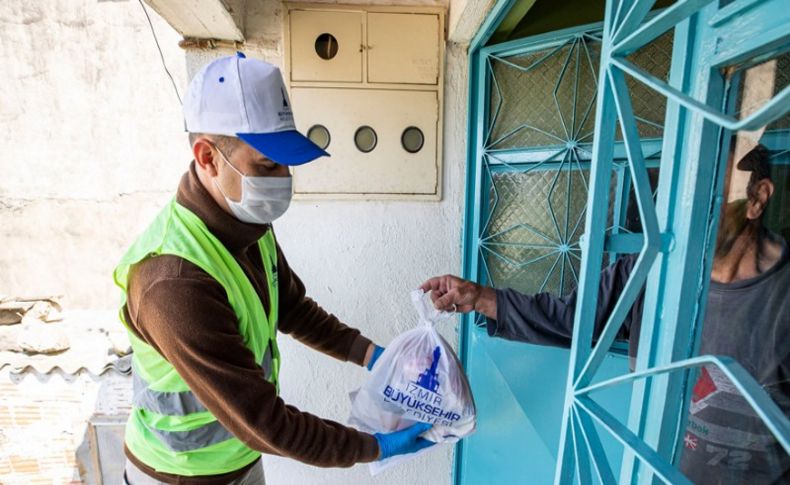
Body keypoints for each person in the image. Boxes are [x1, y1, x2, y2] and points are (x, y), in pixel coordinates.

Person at [115, 53, 432, 484]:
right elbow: (265, 421)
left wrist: (376, 357)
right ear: (207, 157)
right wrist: (375, 446)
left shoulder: (247, 221)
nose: (283, 179)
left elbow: (292, 308)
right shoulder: (173, 284)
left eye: (285, 163)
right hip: (179, 475)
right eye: (267, 165)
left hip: (240, 458)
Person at [421, 144, 789, 484]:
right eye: (680, 191)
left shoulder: (781, 300)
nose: (685, 208)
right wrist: (480, 297)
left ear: (757, 199)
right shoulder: (651, 272)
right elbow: (570, 318)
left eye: (708, 190)